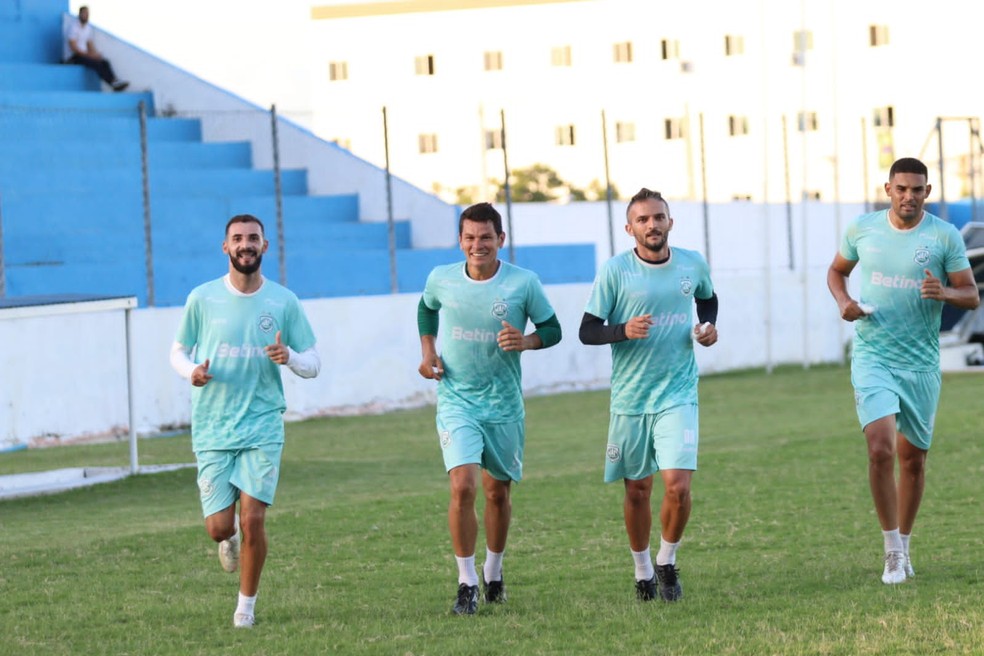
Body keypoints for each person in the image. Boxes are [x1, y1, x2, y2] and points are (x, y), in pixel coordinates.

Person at [827, 157, 979, 585]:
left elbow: (971, 296)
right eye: (901, 189)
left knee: (913, 461)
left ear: (927, 192)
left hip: (921, 364)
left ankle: (906, 546)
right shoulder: (863, 229)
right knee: (880, 449)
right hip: (873, 355)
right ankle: (891, 551)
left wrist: (944, 291)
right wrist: (844, 303)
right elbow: (837, 272)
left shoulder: (943, 235)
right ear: (888, 189)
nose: (908, 196)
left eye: (917, 190)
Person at [169, 214, 321, 627]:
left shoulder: (283, 302)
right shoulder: (202, 298)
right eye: (237, 239)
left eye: (253, 238)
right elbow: (177, 351)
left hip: (262, 424)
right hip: (214, 426)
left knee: (253, 518)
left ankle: (245, 610)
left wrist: (289, 357)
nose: (245, 245)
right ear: (226, 247)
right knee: (220, 527)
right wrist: (191, 373)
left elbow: (314, 362)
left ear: (265, 246)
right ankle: (228, 538)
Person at [417, 202, 562, 615]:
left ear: (501, 239)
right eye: (469, 237)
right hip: (457, 398)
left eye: (485, 237)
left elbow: (553, 329)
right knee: (463, 486)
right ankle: (466, 582)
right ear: (460, 240)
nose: (477, 245)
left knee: (497, 493)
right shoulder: (441, 278)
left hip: (503, 405)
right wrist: (428, 351)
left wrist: (527, 341)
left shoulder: (523, 283)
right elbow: (426, 308)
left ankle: (493, 570)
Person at [579, 188, 718, 602]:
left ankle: (667, 561)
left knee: (677, 486)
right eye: (642, 220)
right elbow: (587, 331)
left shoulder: (692, 263)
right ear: (629, 228)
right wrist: (623, 330)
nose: (652, 225)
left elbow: (707, 300)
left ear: (670, 222)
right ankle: (642, 570)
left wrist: (707, 328)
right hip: (631, 399)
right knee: (637, 490)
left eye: (658, 217)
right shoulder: (615, 272)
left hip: (678, 392)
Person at [63, 6, 129, 92]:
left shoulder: (88, 28)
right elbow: (74, 48)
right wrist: (90, 55)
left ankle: (114, 81)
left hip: (84, 55)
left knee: (104, 62)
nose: (86, 15)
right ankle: (112, 83)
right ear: (80, 14)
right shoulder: (73, 27)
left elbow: (90, 44)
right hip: (73, 57)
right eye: (84, 13)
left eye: (87, 14)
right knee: (95, 64)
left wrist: (95, 54)